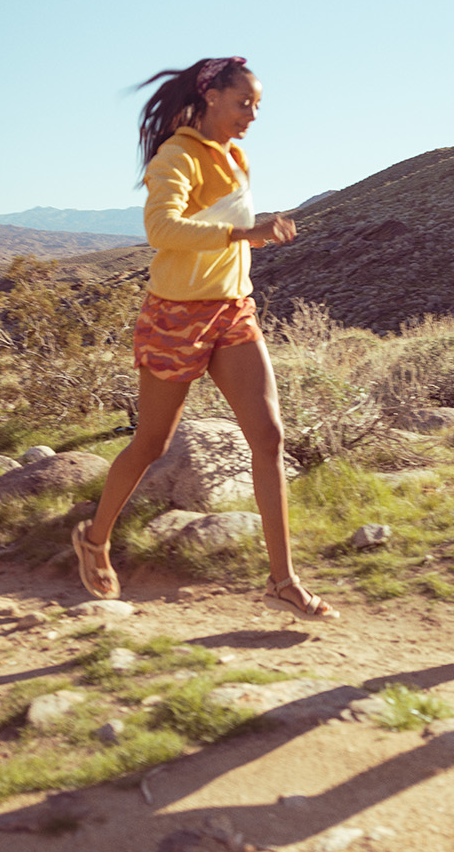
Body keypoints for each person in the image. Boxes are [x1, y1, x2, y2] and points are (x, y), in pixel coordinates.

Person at [71, 56, 338, 620]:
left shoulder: (235, 157)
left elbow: (218, 232)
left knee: (268, 438)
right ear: (212, 96)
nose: (252, 116)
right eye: (244, 104)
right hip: (176, 317)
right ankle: (94, 538)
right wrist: (244, 231)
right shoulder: (176, 156)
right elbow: (159, 229)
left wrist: (251, 242)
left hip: (233, 312)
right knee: (152, 445)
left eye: (258, 107)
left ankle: (283, 580)